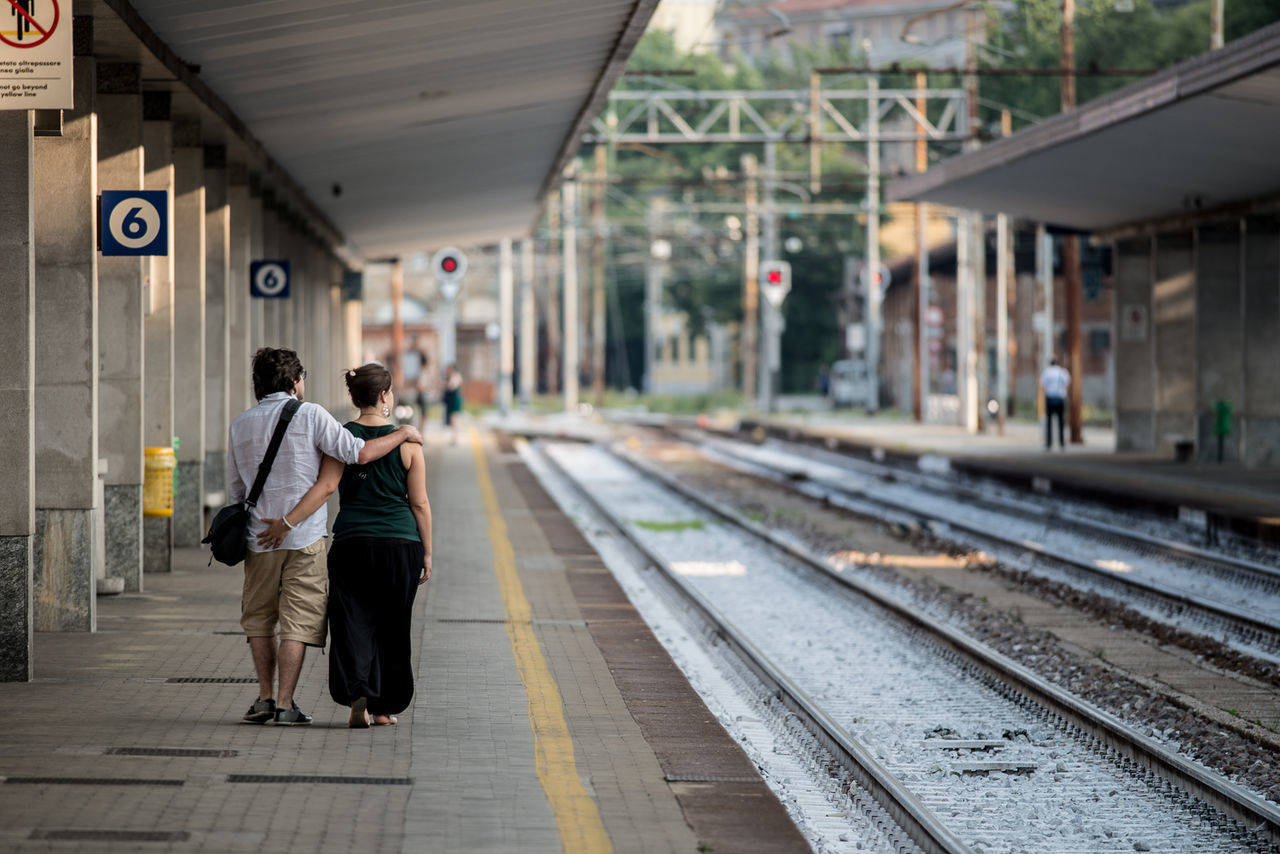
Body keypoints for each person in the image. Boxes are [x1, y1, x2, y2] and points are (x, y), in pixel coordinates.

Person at [229, 348, 423, 727]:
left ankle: (265, 697)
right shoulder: (313, 414)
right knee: (298, 622)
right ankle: (286, 703)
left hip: (258, 538)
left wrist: (263, 524)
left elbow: (237, 491)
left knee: (259, 619)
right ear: (293, 380)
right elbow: (358, 454)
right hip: (304, 537)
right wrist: (402, 432)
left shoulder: (240, 424)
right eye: (302, 376)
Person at [326, 363, 432, 728]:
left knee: (353, 621)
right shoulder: (410, 444)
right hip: (400, 545)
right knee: (393, 626)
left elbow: (327, 486)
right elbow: (419, 503)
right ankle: (385, 708)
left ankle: (359, 694)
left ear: (354, 397)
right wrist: (428, 552)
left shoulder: (340, 439)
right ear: (385, 396)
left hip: (352, 543)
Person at [1040, 357, 1071, 450]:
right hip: (1060, 398)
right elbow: (1067, 383)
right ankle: (1062, 443)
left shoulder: (1046, 372)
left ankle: (1049, 443)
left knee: (1049, 422)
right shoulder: (1062, 372)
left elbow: (1042, 384)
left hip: (1049, 398)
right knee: (1061, 422)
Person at [442, 363, 464, 445]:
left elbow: (451, 386)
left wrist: (445, 385)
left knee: (455, 419)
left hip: (455, 400)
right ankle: (454, 437)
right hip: (451, 401)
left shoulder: (456, 377)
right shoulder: (450, 377)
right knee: (453, 420)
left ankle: (455, 438)